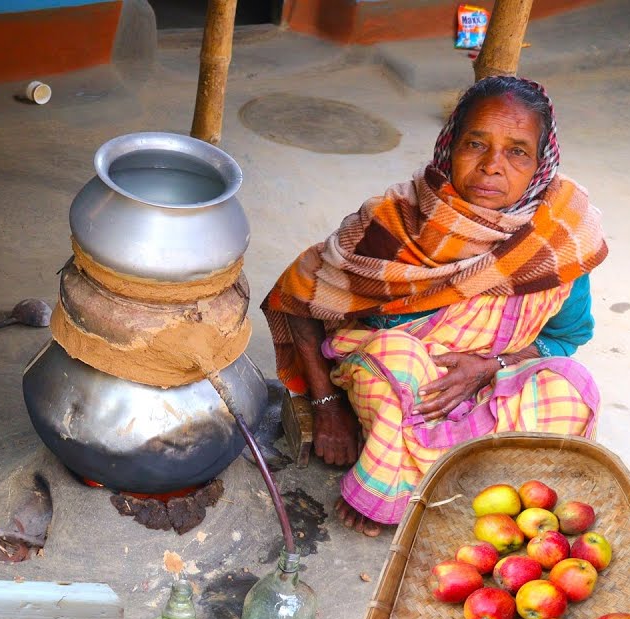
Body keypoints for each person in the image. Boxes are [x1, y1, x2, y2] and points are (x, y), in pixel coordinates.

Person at [261, 76, 608, 537]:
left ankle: (408, 473)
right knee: (396, 357)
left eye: (517, 151)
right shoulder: (393, 220)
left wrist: (491, 365)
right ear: (449, 146)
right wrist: (326, 406)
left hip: (489, 386)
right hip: (397, 383)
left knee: (572, 388)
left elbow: (564, 339)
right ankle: (448, 486)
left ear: (541, 164)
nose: (491, 167)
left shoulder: (558, 239)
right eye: (476, 144)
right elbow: (299, 296)